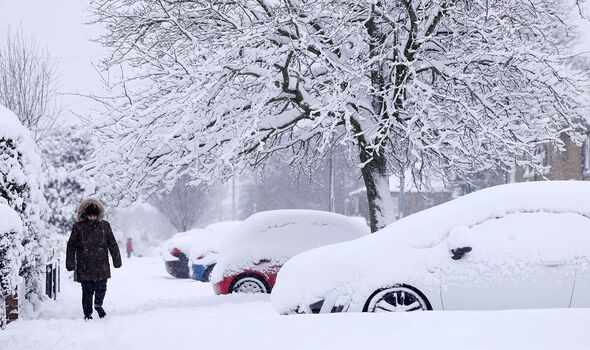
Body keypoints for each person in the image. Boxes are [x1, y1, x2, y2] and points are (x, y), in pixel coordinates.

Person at [66, 198, 122, 320]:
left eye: (94, 216)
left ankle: (98, 305)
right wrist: (70, 263)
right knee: (87, 290)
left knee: (102, 287)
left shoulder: (105, 226)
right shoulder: (78, 227)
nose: (92, 218)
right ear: (85, 215)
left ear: (98, 215)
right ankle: (87, 313)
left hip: (101, 264)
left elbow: (112, 244)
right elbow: (71, 245)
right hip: (85, 264)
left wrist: (117, 260)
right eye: (90, 216)